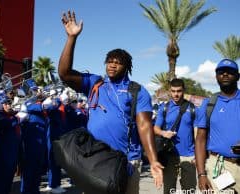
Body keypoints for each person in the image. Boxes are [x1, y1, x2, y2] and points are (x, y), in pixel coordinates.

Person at [58, 11, 163, 194]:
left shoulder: (136, 90)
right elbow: (64, 73)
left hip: (126, 160)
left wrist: (153, 160)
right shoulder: (95, 83)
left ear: (127, 67)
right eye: (109, 61)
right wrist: (71, 38)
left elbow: (145, 126)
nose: (112, 65)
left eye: (118, 63)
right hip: (93, 158)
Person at [196, 58, 240, 193]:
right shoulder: (208, 104)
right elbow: (200, 140)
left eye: (230, 72)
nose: (225, 74)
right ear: (216, 77)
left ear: (238, 76)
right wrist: (201, 174)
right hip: (219, 167)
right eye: (221, 72)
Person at [154, 78, 199, 194]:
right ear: (170, 91)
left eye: (179, 91)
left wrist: (197, 155)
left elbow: (197, 133)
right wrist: (164, 133)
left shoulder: (192, 108)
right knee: (169, 190)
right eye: (173, 91)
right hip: (169, 155)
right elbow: (155, 128)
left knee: (189, 191)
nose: (176, 94)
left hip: (188, 157)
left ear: (183, 90)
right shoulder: (164, 108)